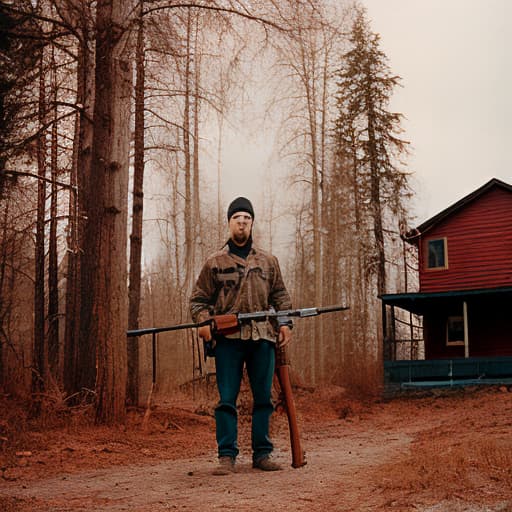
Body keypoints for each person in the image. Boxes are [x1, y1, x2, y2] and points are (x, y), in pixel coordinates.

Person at [189, 197, 293, 475]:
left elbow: (281, 296)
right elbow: (198, 301)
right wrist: (202, 322)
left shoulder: (268, 261)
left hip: (262, 338)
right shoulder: (215, 262)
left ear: (252, 223)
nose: (242, 223)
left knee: (263, 399)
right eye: (237, 218)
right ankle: (226, 456)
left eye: (247, 218)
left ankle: (262, 454)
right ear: (229, 223)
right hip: (228, 342)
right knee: (226, 400)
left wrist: (284, 324)